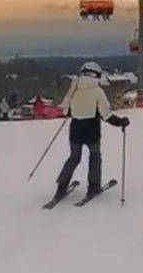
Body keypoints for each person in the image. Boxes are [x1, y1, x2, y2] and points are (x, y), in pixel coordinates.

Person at [52, 62, 129, 200]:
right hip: (92, 129)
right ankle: (93, 187)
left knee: (74, 158)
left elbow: (66, 110)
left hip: (75, 128)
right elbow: (106, 115)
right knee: (95, 157)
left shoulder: (74, 87)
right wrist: (120, 122)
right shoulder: (97, 91)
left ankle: (61, 187)